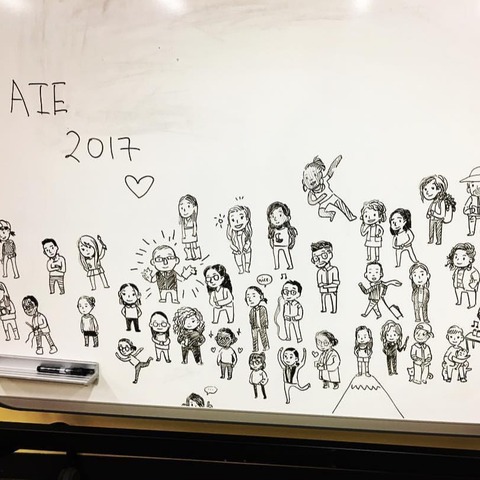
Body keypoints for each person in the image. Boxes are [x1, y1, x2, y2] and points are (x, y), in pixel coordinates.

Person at [301, 155, 356, 222]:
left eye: (314, 175)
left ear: (320, 174)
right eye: (307, 178)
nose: (311, 180)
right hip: (322, 203)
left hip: (331, 197)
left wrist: (336, 161)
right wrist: (319, 199)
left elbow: (331, 171)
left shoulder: (324, 180)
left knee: (340, 203)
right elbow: (311, 202)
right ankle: (331, 214)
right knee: (321, 213)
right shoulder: (311, 192)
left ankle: (350, 216)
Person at [419, 174, 455, 245]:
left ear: (439, 189)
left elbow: (442, 215)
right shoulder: (433, 202)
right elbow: (430, 209)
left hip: (438, 219)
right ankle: (431, 240)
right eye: (425, 189)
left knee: (438, 230)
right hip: (432, 219)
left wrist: (434, 214)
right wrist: (428, 214)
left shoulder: (441, 202)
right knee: (431, 230)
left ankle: (438, 241)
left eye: (432, 188)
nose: (427, 192)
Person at [445, 242, 479, 309]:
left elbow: (476, 278)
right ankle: (459, 301)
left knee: (471, 294)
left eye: (463, 258)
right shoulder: (457, 270)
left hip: (469, 286)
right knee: (458, 292)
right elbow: (454, 275)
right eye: (456, 257)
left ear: (470, 260)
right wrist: (454, 279)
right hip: (458, 285)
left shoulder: (472, 270)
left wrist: (473, 284)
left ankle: (472, 304)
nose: (458, 260)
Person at [266, 201, 297, 270]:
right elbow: (271, 238)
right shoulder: (273, 230)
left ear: (287, 217)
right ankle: (276, 266)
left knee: (287, 254)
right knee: (275, 255)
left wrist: (292, 243)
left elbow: (292, 236)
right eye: (273, 217)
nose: (276, 219)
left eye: (280, 215)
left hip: (285, 245)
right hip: (276, 245)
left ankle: (290, 265)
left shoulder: (287, 229)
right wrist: (271, 244)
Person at [310, 240, 339, 314]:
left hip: (332, 289)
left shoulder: (334, 269)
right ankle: (324, 309)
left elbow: (336, 283)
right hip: (323, 290)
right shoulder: (320, 272)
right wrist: (323, 285)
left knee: (333, 296)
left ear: (330, 254)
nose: (320, 260)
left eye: (323, 256)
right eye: (316, 258)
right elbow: (319, 284)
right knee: (323, 297)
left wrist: (326, 286)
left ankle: (334, 310)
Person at [226, 205, 253, 274]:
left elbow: (248, 241)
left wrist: (246, 247)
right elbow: (231, 244)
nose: (237, 221)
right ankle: (241, 269)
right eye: (233, 220)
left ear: (247, 219)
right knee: (238, 260)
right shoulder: (232, 235)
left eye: (241, 217)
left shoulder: (246, 232)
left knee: (247, 258)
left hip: (246, 249)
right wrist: (235, 249)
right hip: (237, 250)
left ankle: (247, 268)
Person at [245, 286, 269, 352]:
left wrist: (265, 325)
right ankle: (255, 349)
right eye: (248, 297)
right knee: (254, 338)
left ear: (261, 297)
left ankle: (266, 347)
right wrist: (252, 325)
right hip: (254, 327)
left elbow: (265, 317)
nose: (250, 299)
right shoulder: (251, 311)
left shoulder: (263, 308)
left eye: (253, 296)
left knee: (263, 337)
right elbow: (251, 319)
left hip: (262, 326)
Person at [178, 194, 202, 260]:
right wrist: (183, 235)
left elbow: (195, 226)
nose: (184, 210)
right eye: (182, 208)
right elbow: (182, 228)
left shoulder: (193, 220)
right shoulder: (183, 221)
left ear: (194, 208)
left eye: (188, 206)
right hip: (186, 233)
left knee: (194, 244)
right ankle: (189, 256)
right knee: (187, 245)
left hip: (191, 232)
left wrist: (194, 233)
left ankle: (197, 255)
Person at [460, 166, 480, 236]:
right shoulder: (471, 198)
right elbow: (465, 209)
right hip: (473, 214)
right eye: (473, 185)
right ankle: (471, 231)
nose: (477, 188)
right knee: (471, 218)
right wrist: (470, 210)